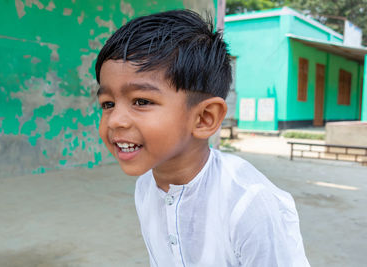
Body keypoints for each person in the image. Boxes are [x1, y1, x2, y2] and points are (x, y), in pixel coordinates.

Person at [94, 9, 310, 267]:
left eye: (141, 101)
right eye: (107, 104)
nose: (115, 120)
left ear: (205, 118)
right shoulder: (146, 187)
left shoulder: (249, 204)